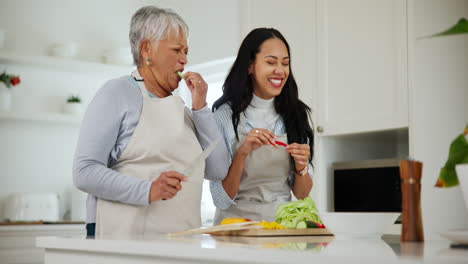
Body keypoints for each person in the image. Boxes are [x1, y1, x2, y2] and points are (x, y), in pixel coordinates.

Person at [73, 6, 228, 237]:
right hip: (123, 239)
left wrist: (201, 107)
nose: (184, 60)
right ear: (147, 49)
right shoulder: (117, 92)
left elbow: (218, 169)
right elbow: (84, 171)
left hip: (182, 241)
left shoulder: (184, 110)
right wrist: (148, 190)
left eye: (186, 52)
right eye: (176, 50)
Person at [210, 28, 314, 224]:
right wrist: (242, 153)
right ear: (250, 66)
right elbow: (221, 199)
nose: (280, 71)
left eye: (285, 63)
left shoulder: (296, 114)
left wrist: (301, 167)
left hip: (280, 228)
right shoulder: (224, 116)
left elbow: (302, 193)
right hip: (235, 229)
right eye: (271, 62)